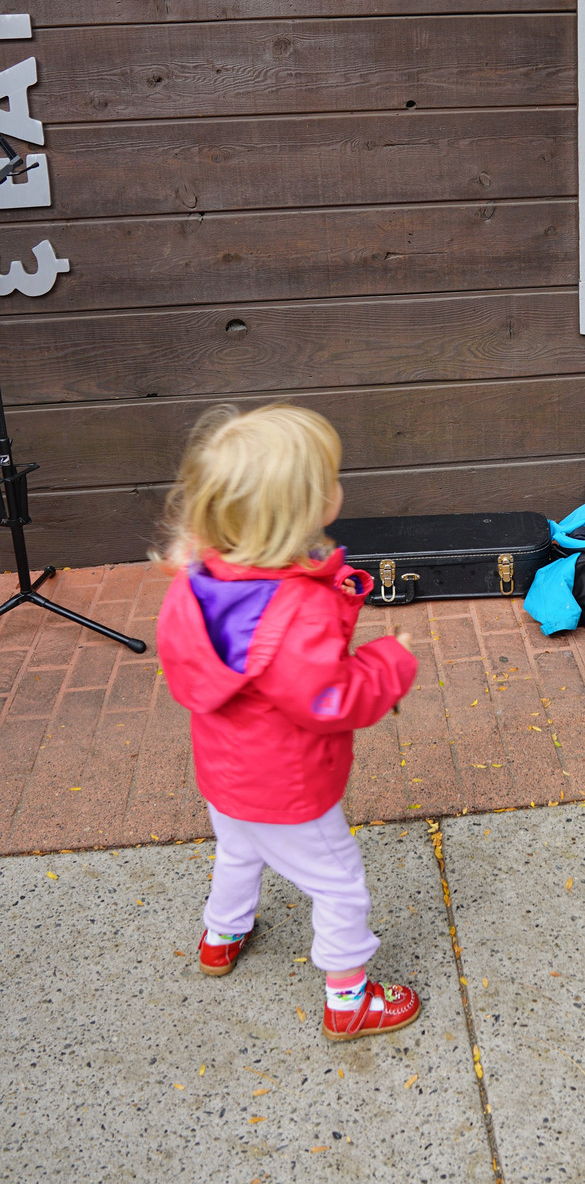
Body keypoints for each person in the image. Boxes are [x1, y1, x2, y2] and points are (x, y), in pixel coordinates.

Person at [155, 403, 420, 1041]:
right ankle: (350, 998)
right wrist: (391, 663)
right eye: (329, 480)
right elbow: (327, 697)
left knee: (238, 850)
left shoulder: (202, 576)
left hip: (227, 772)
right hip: (291, 787)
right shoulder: (295, 607)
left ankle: (222, 936)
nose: (339, 487)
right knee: (339, 883)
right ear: (298, 510)